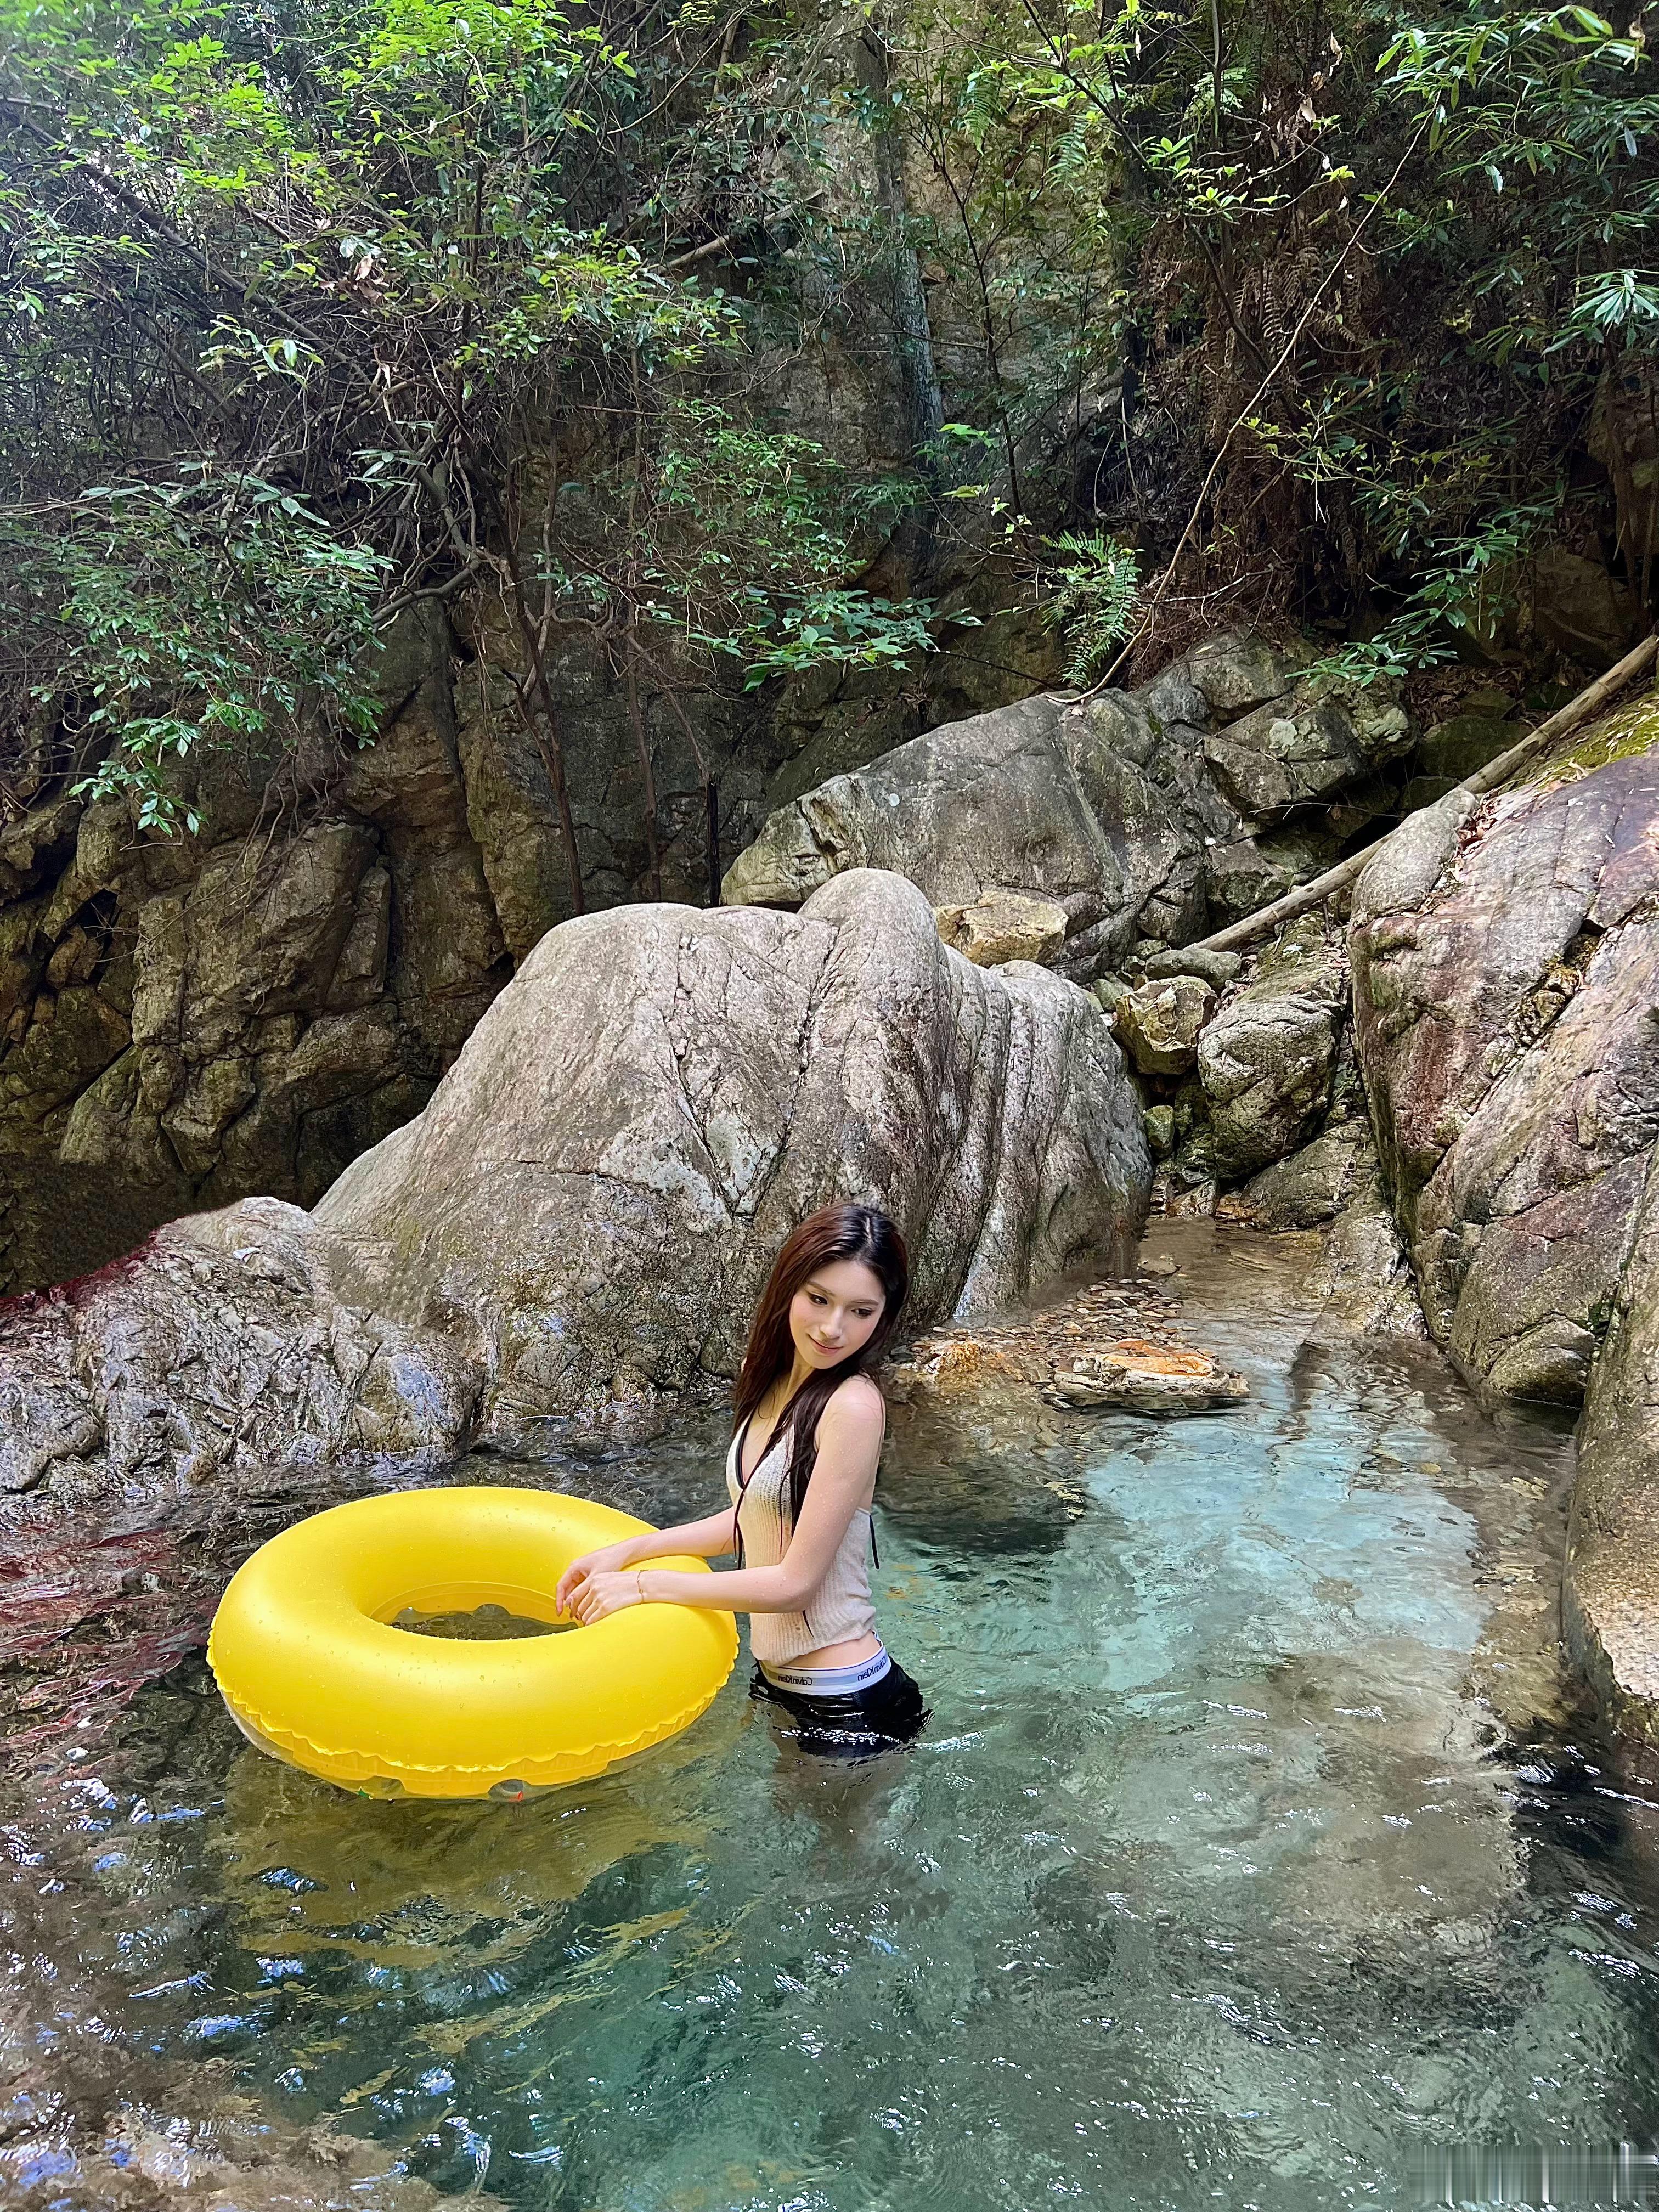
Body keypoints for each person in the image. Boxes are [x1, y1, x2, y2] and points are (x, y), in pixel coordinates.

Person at [554, 1201, 927, 1759]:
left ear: (883, 1317)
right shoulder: (772, 1381)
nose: (833, 1328)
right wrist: (629, 1551)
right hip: (783, 1682)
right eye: (819, 1299)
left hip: (848, 1700)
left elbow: (795, 1584)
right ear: (789, 1287)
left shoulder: (853, 1406)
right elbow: (756, 1517)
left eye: (860, 1311)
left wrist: (644, 1586)